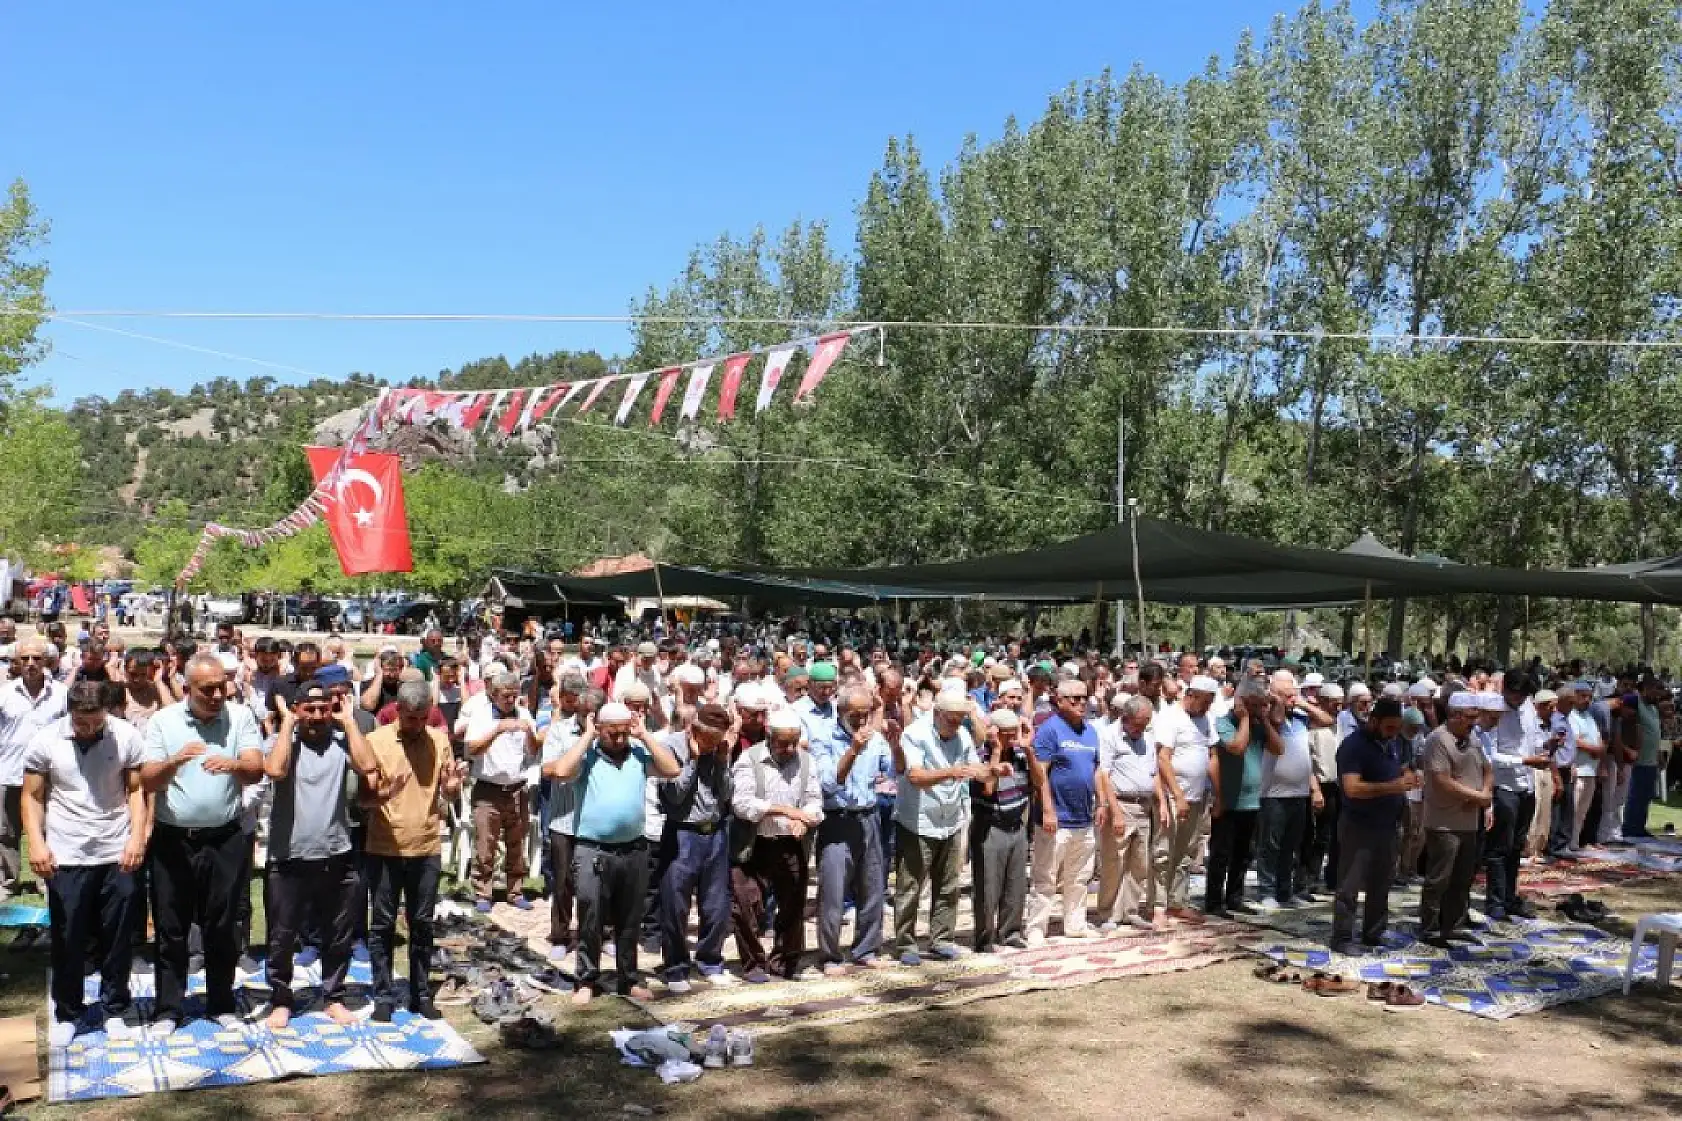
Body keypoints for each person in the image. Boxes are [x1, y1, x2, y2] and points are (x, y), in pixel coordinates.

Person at [139, 653, 266, 1035]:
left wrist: (233, 766)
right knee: (171, 925)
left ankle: (221, 1003)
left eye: (221, 687)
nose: (216, 695)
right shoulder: (164, 721)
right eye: (206, 689)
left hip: (224, 837)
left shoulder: (239, 716)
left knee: (223, 924)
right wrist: (175, 761)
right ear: (186, 689)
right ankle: (169, 1008)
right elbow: (147, 780)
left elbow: (256, 767)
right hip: (173, 839)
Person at [23, 682, 148, 1045]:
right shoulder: (46, 740)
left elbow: (137, 791)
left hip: (116, 849)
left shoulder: (125, 735)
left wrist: (136, 838)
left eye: (96, 723)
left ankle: (114, 1007)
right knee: (68, 935)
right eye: (82, 723)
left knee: (118, 935)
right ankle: (69, 1010)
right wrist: (37, 843)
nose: (89, 729)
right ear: (70, 713)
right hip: (66, 851)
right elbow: (32, 797)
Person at [262, 678, 390, 1029]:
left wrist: (348, 721)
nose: (318, 715)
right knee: (282, 935)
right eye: (310, 709)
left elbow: (368, 768)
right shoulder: (282, 742)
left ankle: (332, 996)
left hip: (337, 853)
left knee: (338, 934)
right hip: (289, 856)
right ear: (298, 710)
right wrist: (287, 722)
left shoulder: (342, 742)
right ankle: (281, 998)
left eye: (324, 709)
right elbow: (274, 770)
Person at [547, 702, 682, 1003]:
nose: (619, 740)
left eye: (624, 734)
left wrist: (645, 735)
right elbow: (560, 770)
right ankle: (586, 979)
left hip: (634, 849)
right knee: (590, 916)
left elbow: (672, 769)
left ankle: (628, 978)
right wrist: (587, 737)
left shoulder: (638, 754)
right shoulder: (589, 757)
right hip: (593, 850)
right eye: (612, 734)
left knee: (629, 919)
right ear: (600, 730)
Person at [363, 680, 462, 1022]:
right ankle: (383, 995)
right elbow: (361, 799)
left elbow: (448, 792)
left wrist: (452, 786)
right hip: (384, 847)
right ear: (398, 712)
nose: (417, 725)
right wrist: (384, 794)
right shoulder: (376, 741)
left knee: (422, 924)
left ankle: (421, 993)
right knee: (383, 926)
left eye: (423, 718)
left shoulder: (439, 740)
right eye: (410, 719)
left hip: (426, 845)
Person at [892, 691, 988, 964]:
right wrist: (951, 772)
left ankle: (941, 938)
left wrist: (995, 769)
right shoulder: (915, 734)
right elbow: (915, 776)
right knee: (911, 886)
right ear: (937, 714)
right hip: (918, 820)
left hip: (951, 818)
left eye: (960, 720)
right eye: (952, 720)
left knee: (948, 885)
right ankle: (905, 944)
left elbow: (975, 769)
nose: (956, 726)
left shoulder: (963, 735)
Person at [730, 708, 823, 981]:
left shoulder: (806, 762)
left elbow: (814, 801)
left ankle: (785, 961)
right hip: (754, 843)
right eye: (783, 742)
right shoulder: (749, 760)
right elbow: (742, 804)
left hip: (790, 844)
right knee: (745, 903)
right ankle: (753, 963)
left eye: (794, 742)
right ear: (770, 737)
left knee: (793, 904)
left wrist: (805, 821)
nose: (790, 748)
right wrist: (784, 811)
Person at [809, 687, 894, 974]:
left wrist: (895, 744)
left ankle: (866, 948)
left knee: (873, 886)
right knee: (833, 891)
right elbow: (829, 783)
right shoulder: (823, 737)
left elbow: (895, 771)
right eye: (854, 715)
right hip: (837, 819)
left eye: (865, 714)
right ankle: (830, 955)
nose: (860, 721)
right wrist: (854, 750)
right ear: (840, 713)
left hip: (869, 817)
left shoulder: (875, 737)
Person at [656, 702, 737, 991]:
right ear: (693, 729)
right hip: (682, 833)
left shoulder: (719, 748)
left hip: (715, 831)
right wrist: (692, 759)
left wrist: (721, 761)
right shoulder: (671, 747)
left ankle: (710, 960)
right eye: (708, 740)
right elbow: (675, 796)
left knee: (716, 903)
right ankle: (676, 968)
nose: (712, 745)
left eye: (717, 740)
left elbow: (727, 795)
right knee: (675, 904)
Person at [1331, 697, 1420, 956]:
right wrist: (1392, 787)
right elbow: (1352, 787)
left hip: (1387, 825)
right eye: (1390, 727)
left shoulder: (1390, 745)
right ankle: (1342, 937)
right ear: (1374, 721)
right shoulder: (1353, 747)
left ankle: (1374, 932)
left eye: (1397, 728)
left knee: (1381, 884)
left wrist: (1407, 777)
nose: (1394, 733)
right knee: (1350, 885)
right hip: (1359, 825)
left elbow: (1397, 770)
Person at [1026, 679, 1102, 943]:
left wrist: (1101, 803)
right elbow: (1040, 775)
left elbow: (1096, 770)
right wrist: (1047, 809)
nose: (1082, 703)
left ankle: (1075, 923)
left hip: (1083, 816)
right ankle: (1036, 927)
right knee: (1045, 876)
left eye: (1085, 698)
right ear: (1060, 701)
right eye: (1075, 699)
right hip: (1056, 818)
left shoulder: (1090, 732)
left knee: (1079, 876)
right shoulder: (1049, 730)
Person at [1418, 693, 1493, 949]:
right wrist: (1478, 796)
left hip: (1469, 819)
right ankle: (1430, 927)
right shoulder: (1438, 740)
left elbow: (1487, 768)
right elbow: (1442, 780)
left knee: (1463, 877)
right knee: (1440, 877)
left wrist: (1486, 796)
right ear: (1455, 715)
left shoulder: (1472, 738)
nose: (1475, 722)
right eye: (1470, 717)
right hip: (1443, 821)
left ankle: (1455, 924)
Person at [463, 672, 539, 911]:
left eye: (514, 695)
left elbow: (534, 750)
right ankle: (483, 892)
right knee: (486, 844)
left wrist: (528, 734)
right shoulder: (481, 716)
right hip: (488, 790)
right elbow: (471, 749)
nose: (510, 700)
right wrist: (497, 730)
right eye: (506, 696)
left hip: (516, 788)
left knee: (517, 843)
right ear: (493, 695)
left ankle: (515, 890)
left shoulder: (524, 714)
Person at [1255, 671, 1329, 910]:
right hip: (1273, 794)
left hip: (1299, 793)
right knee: (1271, 846)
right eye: (1287, 694)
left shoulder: (1300, 718)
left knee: (1291, 845)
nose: (1291, 698)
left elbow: (1327, 720)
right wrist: (1278, 700)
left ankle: (1285, 891)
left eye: (1293, 693)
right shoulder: (1266, 717)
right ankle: (1266, 890)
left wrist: (1302, 703)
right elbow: (1275, 722)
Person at [1, 638, 69, 896]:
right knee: (6, 832)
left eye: (36, 659)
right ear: (17, 662)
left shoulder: (61, 694)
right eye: (25, 659)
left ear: (47, 662)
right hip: (9, 772)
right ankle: (7, 882)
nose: (30, 664)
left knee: (50, 829)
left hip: (49, 775)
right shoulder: (4, 693)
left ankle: (47, 882)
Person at [1207, 677, 1279, 918]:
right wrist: (1246, 718)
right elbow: (1237, 747)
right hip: (1228, 801)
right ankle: (1214, 902)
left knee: (1243, 853)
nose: (1260, 709)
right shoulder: (1224, 723)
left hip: (1251, 801)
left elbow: (1279, 748)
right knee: (1221, 854)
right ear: (1242, 702)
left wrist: (1265, 720)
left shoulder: (1259, 724)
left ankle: (1234, 898)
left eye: (1262, 704)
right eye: (1255, 704)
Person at [970, 706, 1039, 950]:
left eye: (1014, 733)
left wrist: (1029, 748)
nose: (1011, 739)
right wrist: (997, 753)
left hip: (1016, 825)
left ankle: (1010, 931)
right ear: (995, 733)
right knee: (988, 885)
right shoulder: (980, 756)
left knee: (1016, 884)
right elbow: (988, 789)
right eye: (1006, 735)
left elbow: (1039, 782)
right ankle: (985, 937)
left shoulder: (1021, 755)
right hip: (990, 826)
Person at [1154, 675, 1219, 925]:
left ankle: (1176, 902)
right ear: (1191, 695)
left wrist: (1217, 793)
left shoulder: (1206, 719)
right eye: (1204, 702)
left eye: (1210, 702)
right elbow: (1163, 758)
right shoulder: (1171, 717)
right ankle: (1158, 904)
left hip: (1198, 795)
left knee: (1186, 852)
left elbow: (1212, 755)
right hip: (1173, 795)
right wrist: (1178, 795)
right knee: (1163, 852)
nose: (1207, 707)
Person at [1095, 695, 1160, 933]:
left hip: (1143, 806)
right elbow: (1104, 775)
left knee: (1139, 863)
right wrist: (1115, 811)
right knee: (1114, 861)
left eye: (1146, 724)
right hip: (1120, 804)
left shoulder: (1147, 738)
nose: (1142, 729)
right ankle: (1109, 913)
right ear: (1126, 718)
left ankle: (1131, 910)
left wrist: (1160, 803)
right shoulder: (1109, 736)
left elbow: (1154, 773)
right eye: (1139, 724)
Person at [1485, 677, 1547, 921]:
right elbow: (1490, 754)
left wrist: (1547, 746)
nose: (1518, 700)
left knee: (1516, 846)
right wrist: (1524, 761)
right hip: (1504, 785)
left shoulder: (1529, 708)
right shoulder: (1495, 712)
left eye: (1522, 696)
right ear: (1505, 689)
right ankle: (1496, 901)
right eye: (1515, 695)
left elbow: (1533, 741)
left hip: (1526, 785)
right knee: (1500, 847)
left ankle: (1511, 897)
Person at [1303, 681, 1344, 891]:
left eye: (1340, 704)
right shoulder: (1311, 726)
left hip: (1336, 786)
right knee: (1313, 835)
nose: (1337, 708)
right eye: (1334, 704)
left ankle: (1329, 877)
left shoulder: (1339, 726)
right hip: (1318, 784)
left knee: (1329, 835)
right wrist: (1315, 789)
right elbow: (1308, 761)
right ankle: (1307, 878)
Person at [1622, 675, 1667, 838]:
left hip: (1651, 761)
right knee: (1635, 797)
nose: (1657, 694)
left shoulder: (1654, 709)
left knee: (1646, 797)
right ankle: (1630, 829)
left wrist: (1659, 754)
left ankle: (1640, 828)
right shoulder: (1636, 703)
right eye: (1655, 690)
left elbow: (1655, 733)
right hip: (1638, 761)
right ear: (1645, 689)